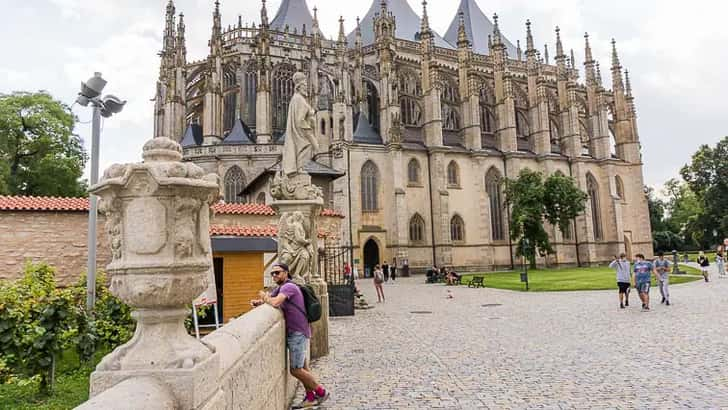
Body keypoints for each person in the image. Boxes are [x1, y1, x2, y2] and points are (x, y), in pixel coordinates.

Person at [250, 263, 329, 409]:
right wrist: (259, 302)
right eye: (272, 273)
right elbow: (270, 300)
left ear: (286, 273)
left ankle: (321, 392)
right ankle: (310, 397)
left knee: (296, 370)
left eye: (277, 273)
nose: (274, 276)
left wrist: (264, 296)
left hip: (298, 333)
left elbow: (275, 302)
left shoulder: (289, 287)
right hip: (297, 331)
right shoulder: (280, 288)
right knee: (303, 367)